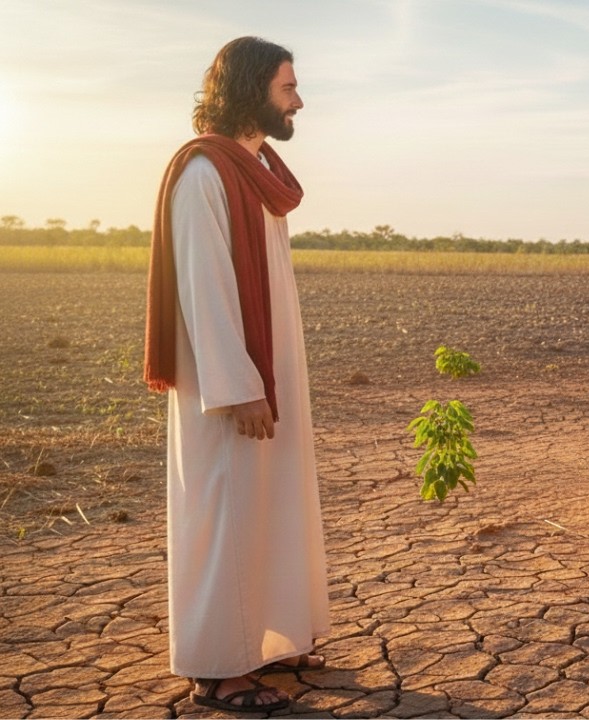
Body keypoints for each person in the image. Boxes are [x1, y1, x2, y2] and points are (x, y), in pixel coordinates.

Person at [143, 37, 330, 712]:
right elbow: (206, 290)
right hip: (231, 390)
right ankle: (219, 668)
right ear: (253, 90)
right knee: (224, 514)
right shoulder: (204, 175)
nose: (299, 100)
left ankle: (272, 640)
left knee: (271, 505)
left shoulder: (253, 170)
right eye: (288, 88)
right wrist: (239, 386)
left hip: (268, 376)